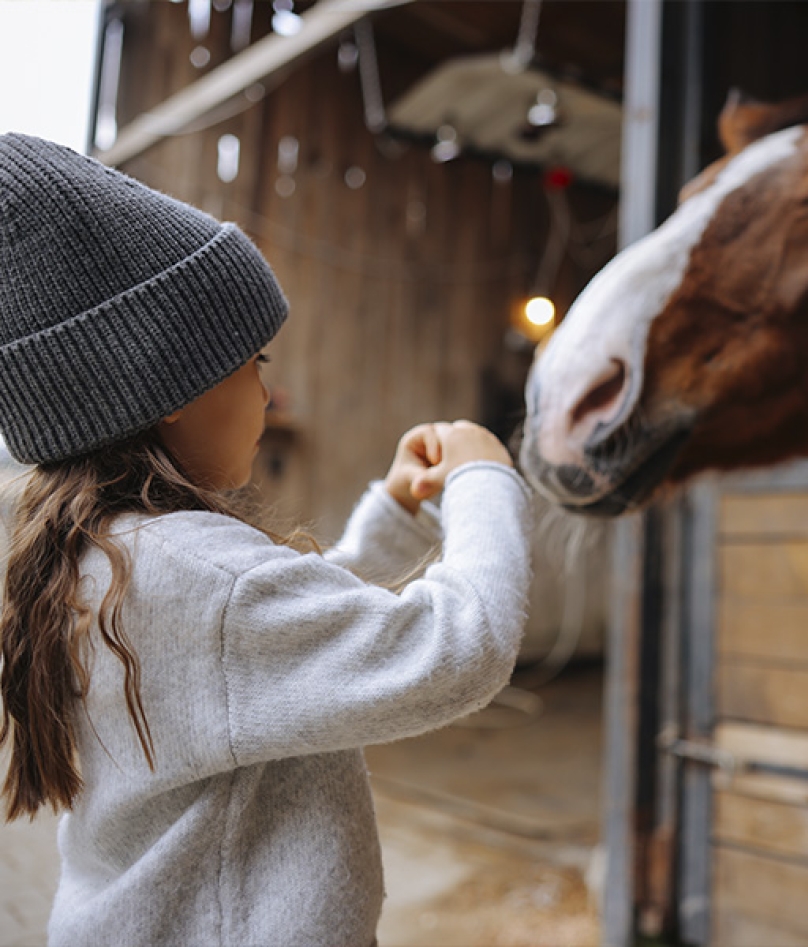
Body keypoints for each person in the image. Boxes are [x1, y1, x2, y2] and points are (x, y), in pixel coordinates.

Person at [0, 133, 532, 947]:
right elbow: (456, 649)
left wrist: (393, 518)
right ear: (168, 381)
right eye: (256, 359)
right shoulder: (200, 577)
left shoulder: (103, 555)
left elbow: (266, 643)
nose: (266, 388)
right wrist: (484, 478)